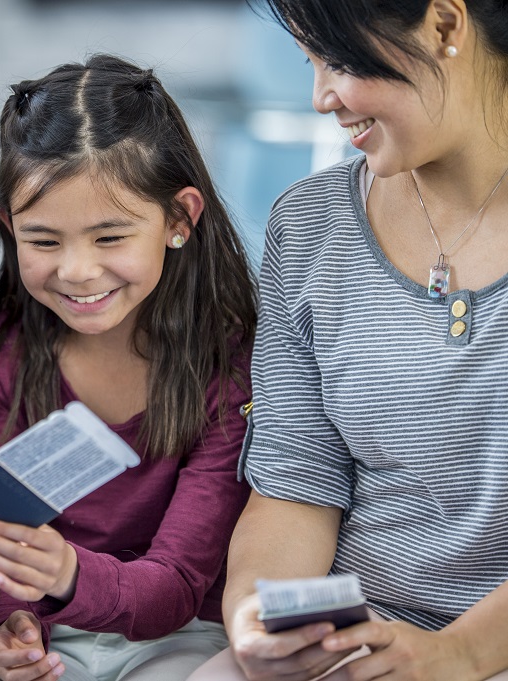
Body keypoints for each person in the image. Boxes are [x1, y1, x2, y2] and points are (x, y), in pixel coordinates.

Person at [187, 1, 508, 679]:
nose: (320, 97)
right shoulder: (307, 227)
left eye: (336, 60)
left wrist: (458, 654)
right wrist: (257, 616)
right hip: (363, 641)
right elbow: (295, 485)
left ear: (445, 26)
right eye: (309, 61)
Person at [0, 54, 258, 681]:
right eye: (43, 241)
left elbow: (178, 584)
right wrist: (7, 634)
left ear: (180, 219)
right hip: (54, 637)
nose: (76, 271)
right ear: (8, 227)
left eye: (109, 238)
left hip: (181, 638)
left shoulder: (229, 368)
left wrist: (67, 571)